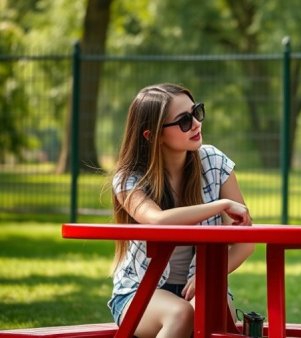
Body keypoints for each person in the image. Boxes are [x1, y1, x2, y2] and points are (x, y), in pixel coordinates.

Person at [108, 83, 255, 338]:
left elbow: (245, 242)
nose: (196, 124)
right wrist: (220, 206)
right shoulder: (129, 178)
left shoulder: (214, 162)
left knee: (207, 310)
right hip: (140, 291)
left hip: (204, 285)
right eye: (184, 121)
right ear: (151, 135)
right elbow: (157, 220)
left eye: (196, 113)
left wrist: (207, 277)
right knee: (180, 313)